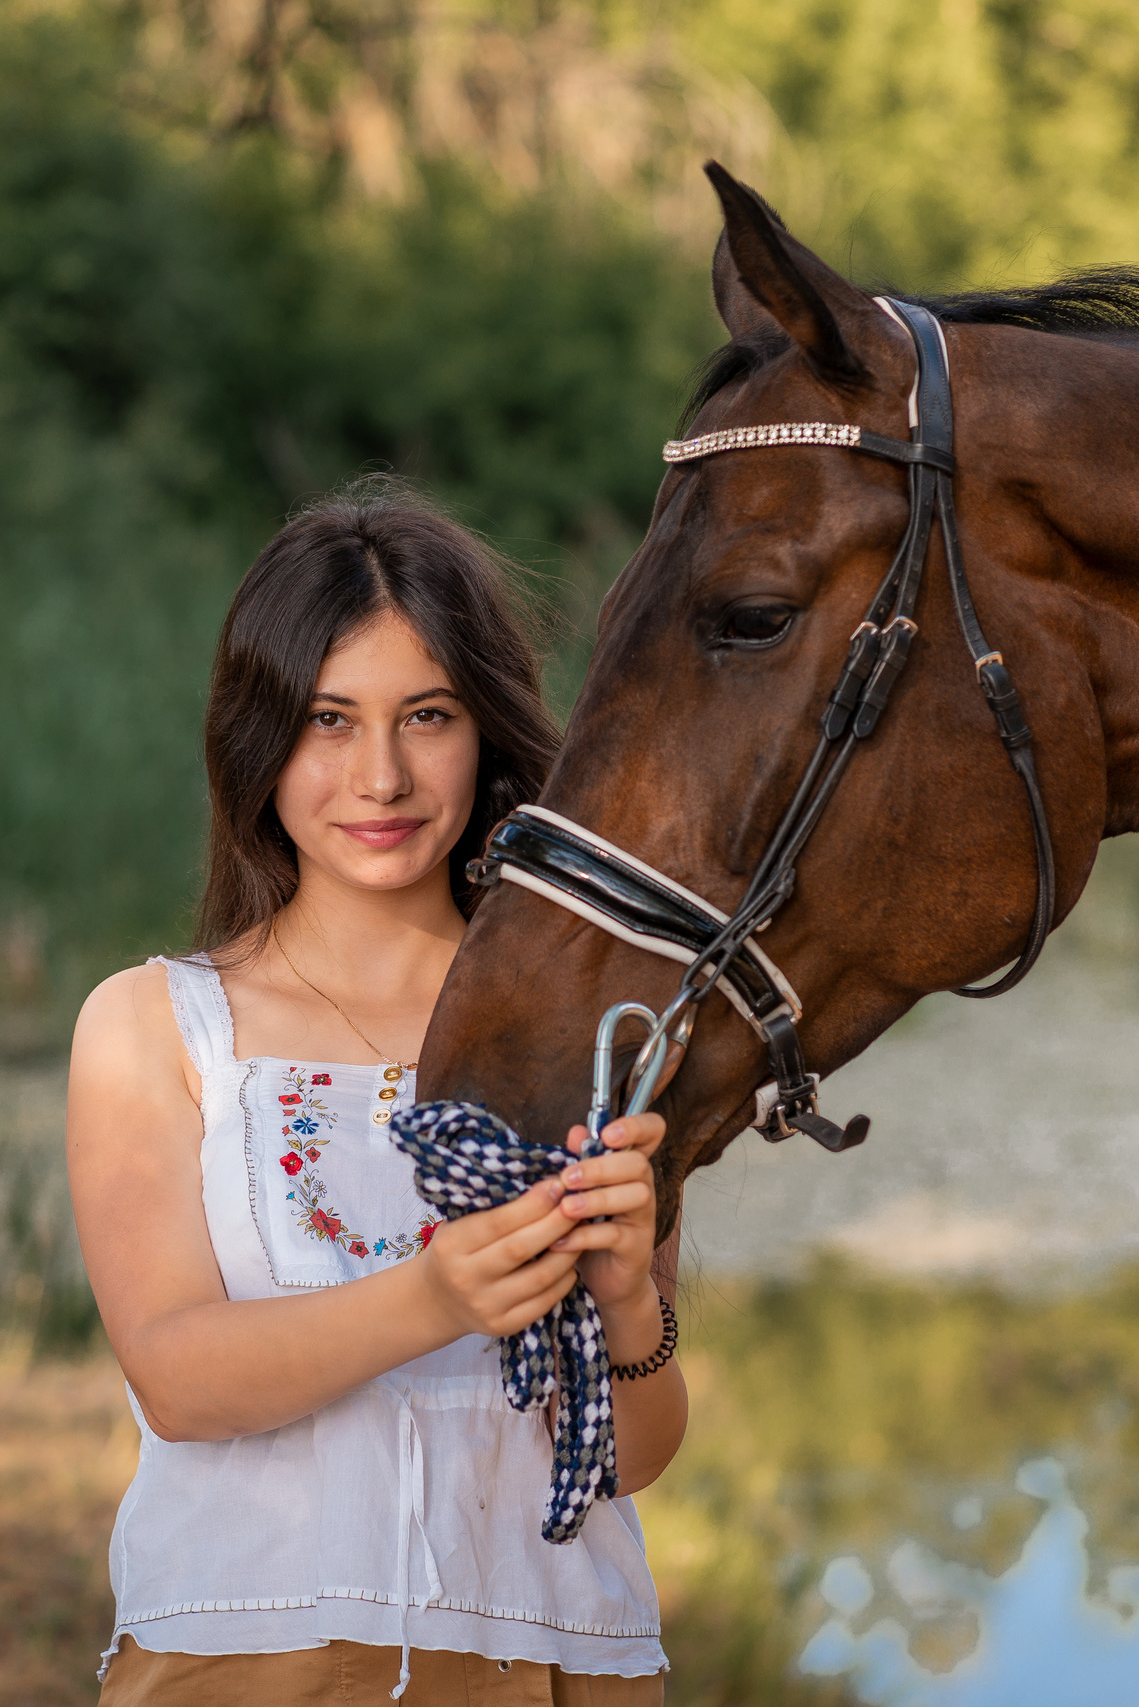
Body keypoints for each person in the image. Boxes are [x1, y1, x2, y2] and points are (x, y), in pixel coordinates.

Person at [65, 480, 684, 1705]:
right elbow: (179, 1383)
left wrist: (623, 1303)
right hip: (240, 1666)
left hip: (549, 1657)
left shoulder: (592, 1025)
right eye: (329, 720)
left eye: (428, 715)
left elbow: (637, 1455)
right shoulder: (156, 1026)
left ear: (485, 731)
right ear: (260, 739)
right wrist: (439, 1296)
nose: (382, 776)